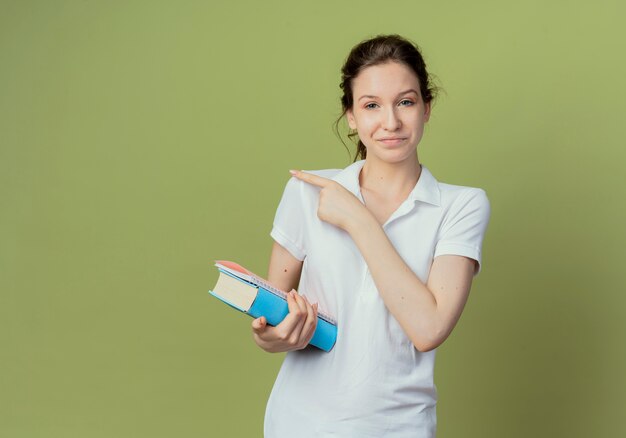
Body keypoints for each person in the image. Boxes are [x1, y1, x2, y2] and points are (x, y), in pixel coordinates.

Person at [250, 34, 491, 437]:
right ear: (351, 116)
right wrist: (274, 336)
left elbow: (428, 328)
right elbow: (274, 320)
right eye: (372, 105)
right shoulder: (306, 192)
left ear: (426, 108)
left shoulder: (461, 205)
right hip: (298, 423)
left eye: (406, 102)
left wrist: (358, 220)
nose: (391, 122)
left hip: (400, 427)